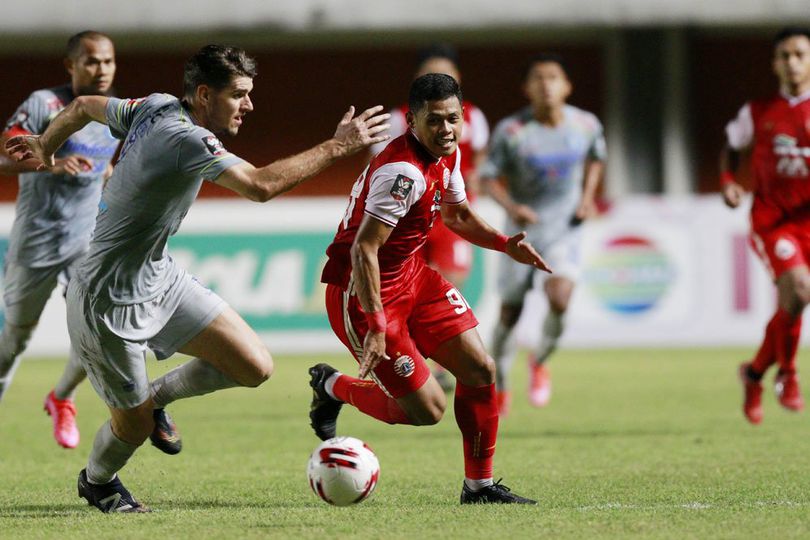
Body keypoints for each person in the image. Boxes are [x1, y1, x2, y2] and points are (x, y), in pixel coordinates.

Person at [6, 44, 389, 513]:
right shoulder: (184, 137)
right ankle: (98, 481)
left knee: (254, 365)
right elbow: (260, 185)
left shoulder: (153, 105)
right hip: (104, 300)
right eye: (239, 95)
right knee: (133, 427)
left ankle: (156, 397)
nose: (248, 105)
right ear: (205, 95)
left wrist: (46, 143)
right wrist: (338, 147)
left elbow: (84, 106)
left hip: (159, 278)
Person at [309, 73, 548, 504]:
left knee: (480, 370)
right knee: (428, 411)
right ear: (412, 121)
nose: (446, 130)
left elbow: (456, 217)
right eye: (434, 121)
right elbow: (365, 250)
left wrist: (502, 244)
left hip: (413, 276)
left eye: (453, 119)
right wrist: (378, 324)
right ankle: (332, 386)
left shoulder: (449, 155)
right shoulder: (402, 173)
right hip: (365, 294)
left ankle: (479, 487)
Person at [0, 30, 121, 450]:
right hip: (35, 243)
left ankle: (62, 397)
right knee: (14, 340)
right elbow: (5, 154)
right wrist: (49, 162)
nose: (100, 69)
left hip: (85, 244)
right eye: (91, 61)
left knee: (99, 329)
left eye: (107, 61)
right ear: (70, 66)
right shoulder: (44, 104)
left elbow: (104, 169)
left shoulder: (113, 115)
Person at [480, 54, 606, 415]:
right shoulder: (512, 131)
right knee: (509, 313)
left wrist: (586, 198)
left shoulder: (585, 124)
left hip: (564, 229)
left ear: (567, 86)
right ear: (527, 88)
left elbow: (596, 158)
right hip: (521, 233)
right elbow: (487, 177)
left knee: (561, 298)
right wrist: (512, 207)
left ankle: (540, 360)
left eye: (553, 77)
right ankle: (500, 381)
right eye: (538, 78)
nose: (546, 84)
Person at [370, 44, 489, 391]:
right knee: (407, 291)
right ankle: (416, 362)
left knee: (448, 283)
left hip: (451, 214)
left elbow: (478, 161)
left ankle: (433, 362)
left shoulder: (474, 117)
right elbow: (378, 164)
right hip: (409, 216)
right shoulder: (398, 117)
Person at [722, 27, 810, 425]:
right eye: (785, 55)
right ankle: (788, 375)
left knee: (791, 304)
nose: (792, 62)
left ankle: (754, 373)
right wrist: (728, 183)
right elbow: (731, 147)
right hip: (773, 221)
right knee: (800, 290)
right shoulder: (758, 111)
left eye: (799, 54)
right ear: (775, 63)